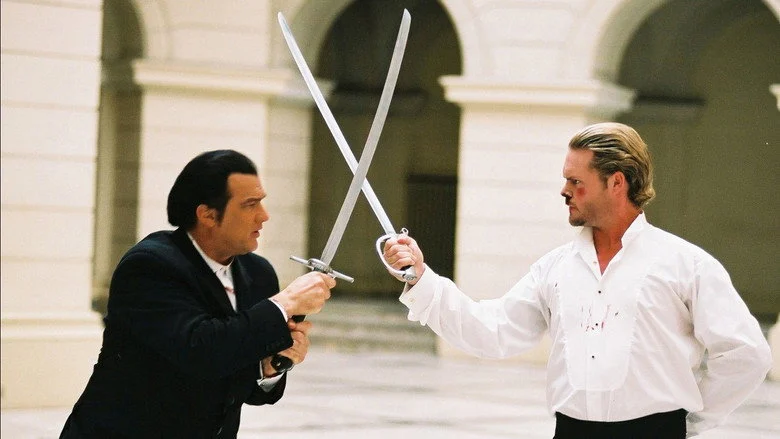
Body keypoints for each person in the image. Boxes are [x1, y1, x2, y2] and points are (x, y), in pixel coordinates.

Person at [382, 122, 772, 438]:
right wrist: (421, 278)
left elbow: (746, 353)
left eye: (576, 181)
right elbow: (493, 330)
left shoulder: (686, 265)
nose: (564, 191)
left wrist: (690, 422)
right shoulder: (554, 268)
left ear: (616, 183)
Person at [60, 150, 335, 438]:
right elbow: (201, 351)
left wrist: (270, 367)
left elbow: (239, 379)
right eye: (250, 204)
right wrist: (284, 304)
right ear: (207, 215)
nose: (264, 216)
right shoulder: (150, 265)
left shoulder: (258, 273)